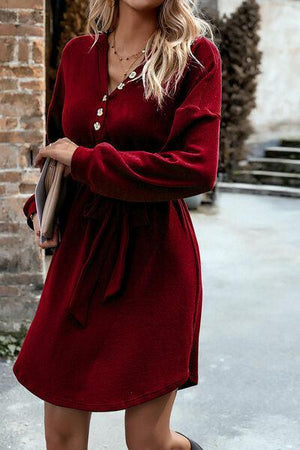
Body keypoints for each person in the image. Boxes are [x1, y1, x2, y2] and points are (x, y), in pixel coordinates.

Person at [13, 0, 222, 449]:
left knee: (148, 440)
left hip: (155, 257)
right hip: (81, 254)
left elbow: (197, 168)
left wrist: (88, 162)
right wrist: (43, 207)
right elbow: (59, 150)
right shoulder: (76, 55)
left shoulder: (196, 56)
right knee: (63, 434)